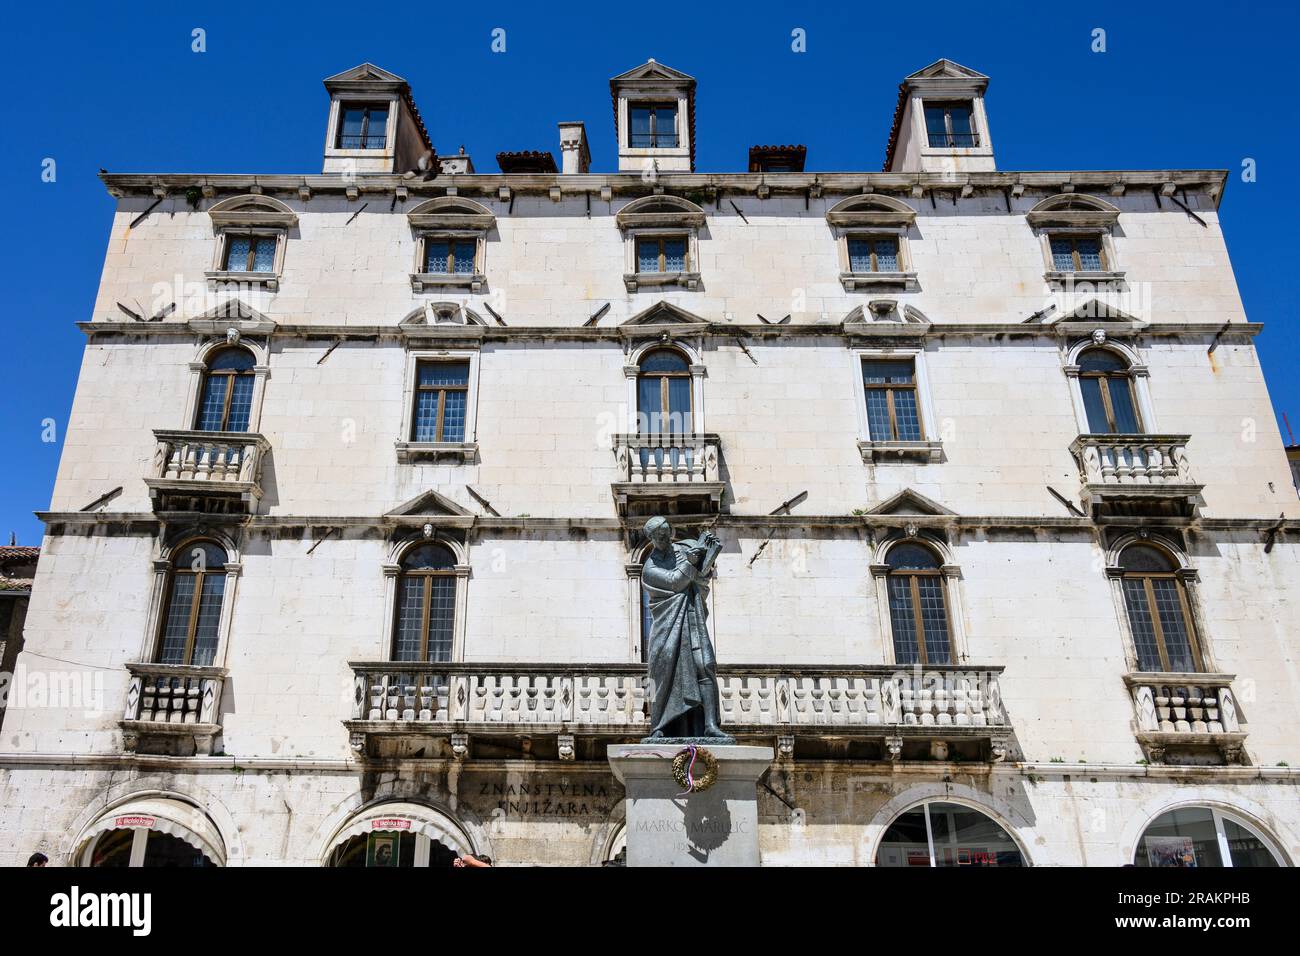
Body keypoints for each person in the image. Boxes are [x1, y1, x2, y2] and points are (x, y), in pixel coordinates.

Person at [640, 516, 728, 739]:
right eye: (658, 537)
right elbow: (674, 582)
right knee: (662, 674)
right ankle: (659, 726)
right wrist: (690, 563)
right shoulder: (650, 568)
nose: (664, 539)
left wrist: (705, 560)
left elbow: (701, 579)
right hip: (667, 628)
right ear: (651, 539)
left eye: (666, 533)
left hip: (693, 618)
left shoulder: (684, 548)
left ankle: (710, 725)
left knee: (705, 665)